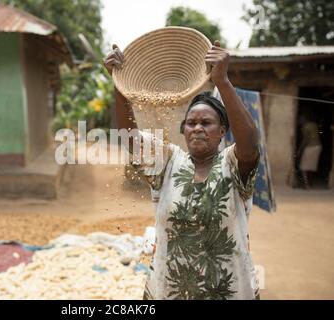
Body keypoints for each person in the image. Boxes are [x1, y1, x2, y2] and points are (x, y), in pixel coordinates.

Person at [104, 40, 261, 300]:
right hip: (170, 291)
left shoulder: (232, 165)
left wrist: (222, 81)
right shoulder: (168, 162)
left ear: (222, 132)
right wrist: (120, 86)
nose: (197, 128)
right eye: (191, 123)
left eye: (207, 123)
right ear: (183, 130)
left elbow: (250, 142)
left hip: (227, 292)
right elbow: (130, 138)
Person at [297, 116, 322, 189]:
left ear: (303, 119)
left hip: (310, 147)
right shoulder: (314, 124)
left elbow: (305, 140)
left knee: (303, 167)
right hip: (318, 146)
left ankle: (307, 185)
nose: (299, 122)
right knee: (312, 167)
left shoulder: (305, 127)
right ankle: (310, 184)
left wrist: (299, 150)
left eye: (300, 120)